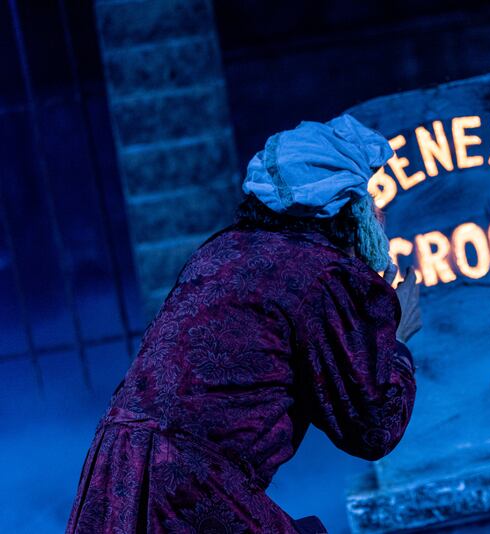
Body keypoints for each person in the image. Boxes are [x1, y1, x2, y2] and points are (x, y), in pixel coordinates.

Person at [65, 114, 420, 533]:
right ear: (345, 208)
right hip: (182, 485)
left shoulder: (221, 251)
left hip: (118, 471)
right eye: (369, 200)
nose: (379, 214)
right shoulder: (321, 273)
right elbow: (373, 428)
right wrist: (396, 341)